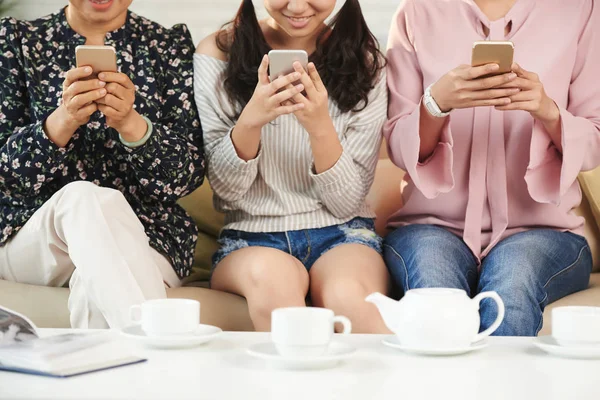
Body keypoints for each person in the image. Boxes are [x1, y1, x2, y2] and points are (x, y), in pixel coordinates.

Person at [383, 0, 600, 336]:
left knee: (512, 285)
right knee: (436, 298)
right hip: (430, 228)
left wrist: (547, 110)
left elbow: (595, 140)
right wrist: (435, 104)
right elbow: (397, 144)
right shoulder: (416, 12)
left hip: (545, 233)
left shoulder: (581, 9)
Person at [0, 0, 204, 329]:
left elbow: (184, 178)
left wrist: (131, 125)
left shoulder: (167, 46)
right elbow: (7, 177)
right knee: (84, 197)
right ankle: (156, 356)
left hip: (147, 237)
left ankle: (117, 372)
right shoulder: (16, 40)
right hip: (35, 238)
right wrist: (61, 122)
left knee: (96, 280)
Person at [194, 0, 389, 332]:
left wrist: (319, 126)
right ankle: (292, 386)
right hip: (251, 237)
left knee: (350, 300)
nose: (298, 6)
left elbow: (346, 201)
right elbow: (228, 194)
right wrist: (251, 120)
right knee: (275, 287)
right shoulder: (220, 52)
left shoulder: (365, 61)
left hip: (342, 232)